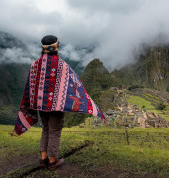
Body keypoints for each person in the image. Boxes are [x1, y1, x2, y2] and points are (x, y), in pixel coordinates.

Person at [12, 35, 106, 171]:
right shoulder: (62, 65)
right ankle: (52, 160)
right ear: (56, 47)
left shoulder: (35, 65)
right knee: (54, 131)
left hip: (40, 106)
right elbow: (74, 85)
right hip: (55, 107)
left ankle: (43, 159)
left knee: (46, 129)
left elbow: (31, 87)